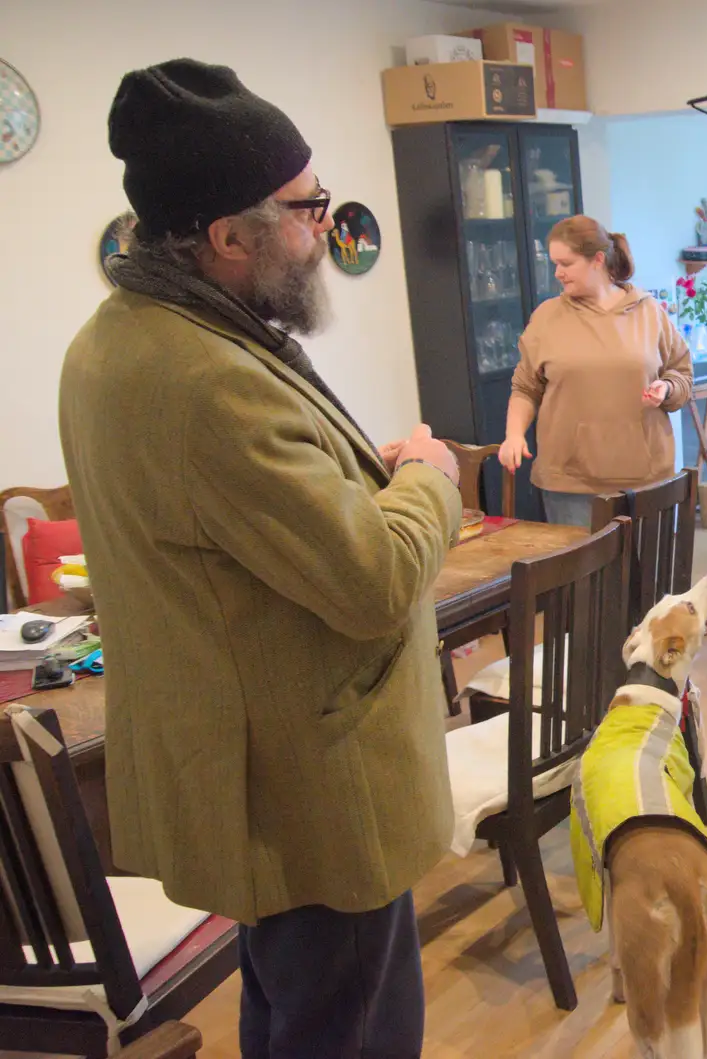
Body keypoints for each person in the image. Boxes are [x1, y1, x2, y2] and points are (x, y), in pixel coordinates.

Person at [59, 60, 461, 1059]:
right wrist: (429, 475)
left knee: (293, 1011)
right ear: (226, 238)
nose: (324, 227)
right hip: (313, 788)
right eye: (306, 207)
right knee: (350, 1028)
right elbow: (371, 582)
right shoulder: (206, 380)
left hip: (260, 774)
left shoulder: (122, 339)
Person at [498, 215, 692, 527]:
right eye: (554, 264)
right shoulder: (547, 318)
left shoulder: (648, 311)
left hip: (644, 479)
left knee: (644, 575)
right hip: (569, 484)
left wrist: (665, 389)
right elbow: (525, 387)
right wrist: (513, 435)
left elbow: (681, 374)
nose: (557, 273)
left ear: (597, 260)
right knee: (583, 575)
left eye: (566, 263)